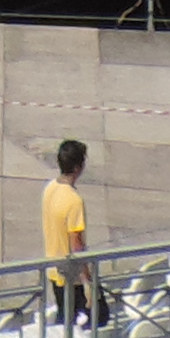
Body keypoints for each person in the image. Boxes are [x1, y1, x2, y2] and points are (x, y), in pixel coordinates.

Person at [38, 137, 101, 326]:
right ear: (77, 167)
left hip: (53, 267)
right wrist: (87, 278)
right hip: (71, 275)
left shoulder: (50, 188)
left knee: (64, 314)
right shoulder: (74, 201)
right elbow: (76, 243)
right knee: (91, 316)